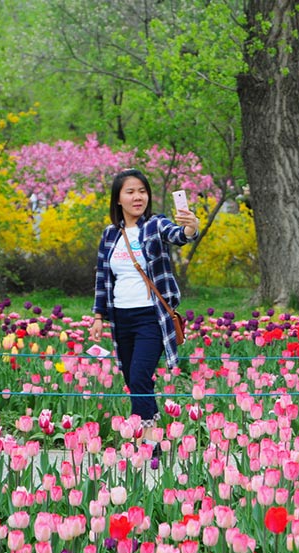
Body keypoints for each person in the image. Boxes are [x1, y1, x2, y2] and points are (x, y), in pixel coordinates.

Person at [90, 168, 200, 452]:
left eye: (142, 191)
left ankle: (149, 438)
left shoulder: (155, 225)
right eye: (130, 191)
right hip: (120, 317)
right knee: (131, 378)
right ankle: (147, 435)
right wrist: (98, 316)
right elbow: (102, 277)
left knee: (140, 375)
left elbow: (178, 235)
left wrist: (190, 227)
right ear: (118, 199)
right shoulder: (110, 235)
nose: (137, 197)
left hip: (150, 316)